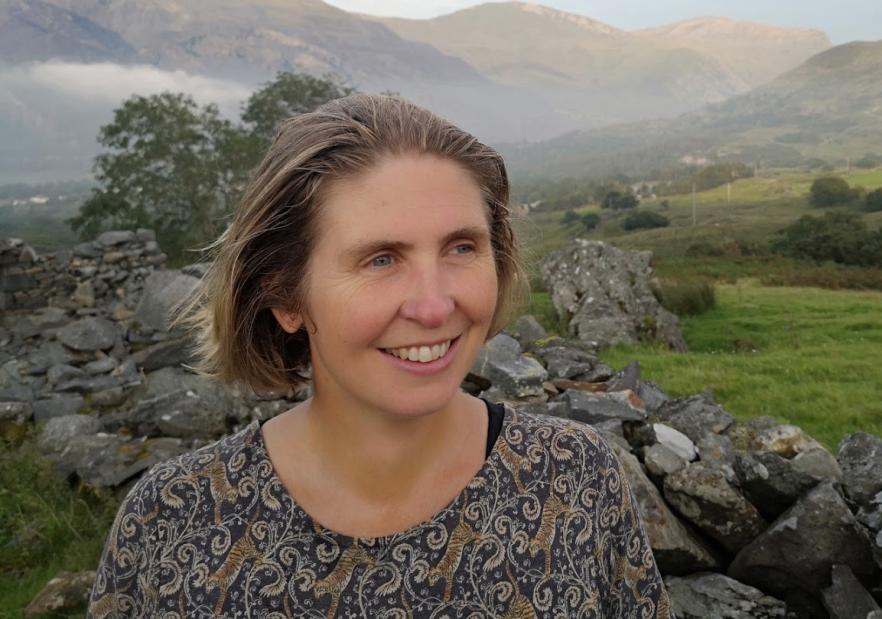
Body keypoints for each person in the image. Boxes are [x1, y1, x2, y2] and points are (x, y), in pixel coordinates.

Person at [87, 94, 671, 617]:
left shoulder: (574, 481)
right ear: (286, 297)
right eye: (381, 259)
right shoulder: (172, 520)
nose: (435, 305)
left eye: (462, 247)